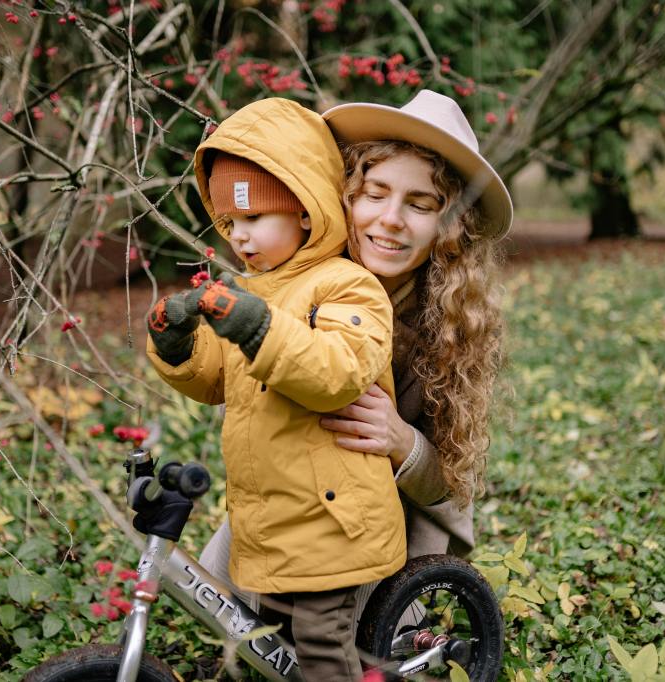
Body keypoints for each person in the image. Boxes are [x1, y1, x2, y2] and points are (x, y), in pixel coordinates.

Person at [200, 89, 512, 625]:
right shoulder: (300, 285)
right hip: (289, 510)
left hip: (377, 537)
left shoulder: (449, 330)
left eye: (420, 204)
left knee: (333, 641)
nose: (390, 219)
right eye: (373, 194)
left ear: (450, 227)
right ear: (341, 197)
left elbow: (452, 490)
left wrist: (401, 441)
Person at [145, 97, 407, 682]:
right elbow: (215, 377)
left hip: (331, 522)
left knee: (319, 643)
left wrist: (255, 326)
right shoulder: (252, 290)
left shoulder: (348, 286)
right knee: (271, 638)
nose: (239, 238)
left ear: (307, 213)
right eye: (230, 224)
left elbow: (334, 371)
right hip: (274, 515)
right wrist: (176, 344)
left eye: (255, 219)